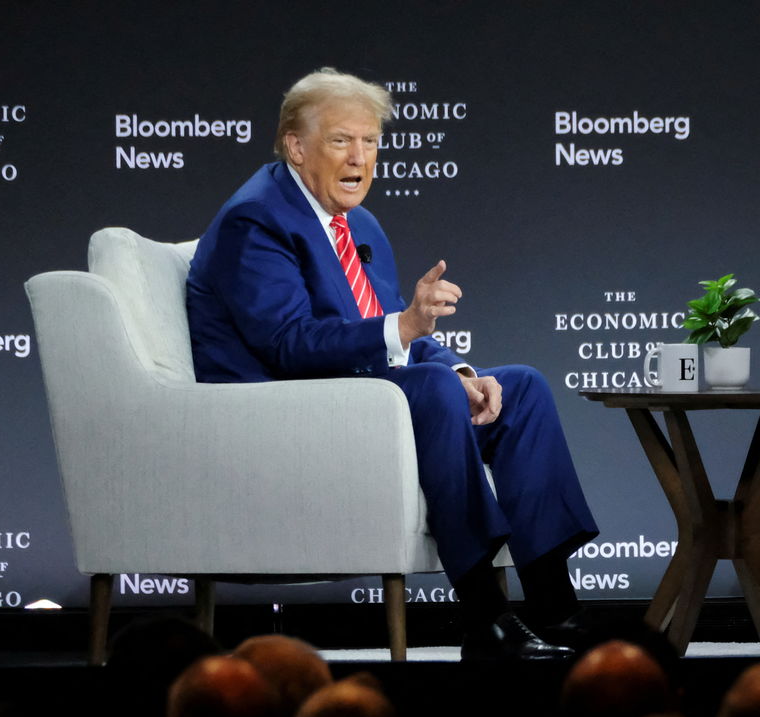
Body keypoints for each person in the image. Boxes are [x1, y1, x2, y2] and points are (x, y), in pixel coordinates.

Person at [187, 68, 597, 660]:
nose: (361, 158)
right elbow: (288, 344)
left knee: (519, 389)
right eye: (340, 141)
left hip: (350, 398)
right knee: (428, 390)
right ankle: (486, 620)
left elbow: (387, 332)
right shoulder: (255, 221)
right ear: (295, 146)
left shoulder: (358, 224)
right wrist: (409, 333)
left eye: (371, 141)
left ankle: (557, 613)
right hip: (277, 416)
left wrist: (461, 372)